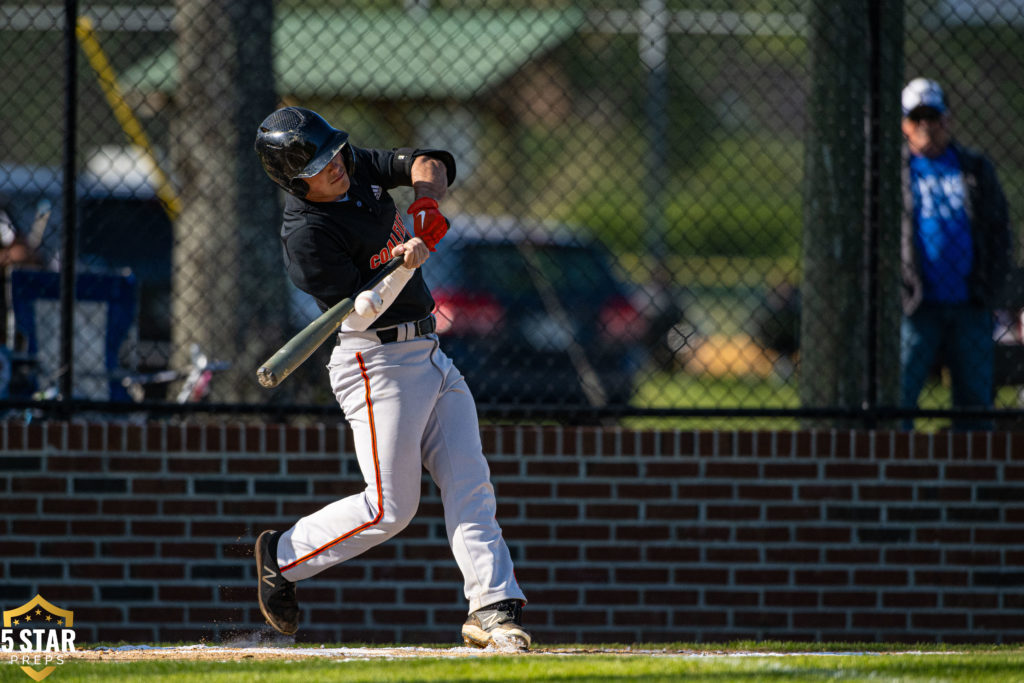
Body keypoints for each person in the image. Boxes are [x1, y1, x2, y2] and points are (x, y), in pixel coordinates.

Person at [252, 107, 530, 649]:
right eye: (318, 162)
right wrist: (405, 262)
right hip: (373, 361)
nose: (335, 165)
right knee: (389, 508)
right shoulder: (307, 235)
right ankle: (282, 558)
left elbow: (429, 161)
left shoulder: (351, 164)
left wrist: (424, 202)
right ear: (292, 180)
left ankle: (492, 607)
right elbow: (357, 315)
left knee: (471, 484)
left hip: (428, 348)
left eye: (333, 152)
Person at [899, 78, 1011, 431]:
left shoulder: (974, 168)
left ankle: (971, 482)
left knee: (975, 405)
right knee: (899, 398)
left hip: (970, 303)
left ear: (948, 119)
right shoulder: (894, 171)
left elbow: (999, 231)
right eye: (917, 119)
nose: (926, 127)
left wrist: (989, 286)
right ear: (905, 125)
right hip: (914, 305)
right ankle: (897, 479)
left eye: (934, 117)